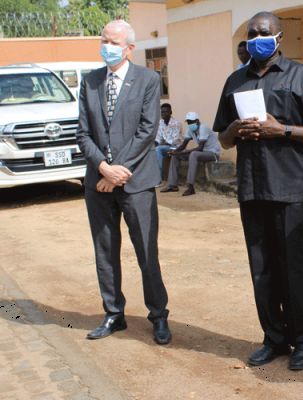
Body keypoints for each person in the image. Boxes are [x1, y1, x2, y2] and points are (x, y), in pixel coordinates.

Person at [214, 11, 303, 371]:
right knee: (261, 268)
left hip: (291, 188)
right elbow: (223, 138)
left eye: (264, 33)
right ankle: (274, 339)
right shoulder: (235, 81)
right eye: (251, 34)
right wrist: (235, 128)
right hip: (252, 187)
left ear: (279, 38)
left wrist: (282, 131)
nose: (257, 38)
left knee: (294, 268)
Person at [76, 20, 171, 345]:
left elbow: (147, 130)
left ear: (130, 47)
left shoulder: (148, 79)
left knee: (146, 252)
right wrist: (103, 168)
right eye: (103, 40)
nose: (106, 45)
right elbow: (83, 133)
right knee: (105, 251)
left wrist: (116, 171)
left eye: (113, 41)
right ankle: (113, 313)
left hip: (136, 183)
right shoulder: (89, 82)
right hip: (98, 183)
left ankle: (158, 315)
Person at [160, 111, 220, 196]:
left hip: (212, 153)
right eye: (188, 122)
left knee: (193, 154)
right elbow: (183, 145)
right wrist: (175, 151)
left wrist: (182, 152)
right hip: (201, 153)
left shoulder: (203, 127)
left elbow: (200, 148)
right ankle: (172, 185)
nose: (190, 123)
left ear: (197, 121)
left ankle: (190, 187)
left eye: (191, 121)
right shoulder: (190, 129)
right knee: (176, 156)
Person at [155, 103, 183, 179]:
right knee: (151, 149)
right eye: (162, 112)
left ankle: (158, 178)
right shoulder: (160, 123)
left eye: (166, 111)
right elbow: (158, 137)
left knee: (158, 149)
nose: (163, 114)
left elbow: (175, 140)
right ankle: (150, 177)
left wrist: (164, 143)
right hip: (164, 147)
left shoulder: (177, 123)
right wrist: (155, 143)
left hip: (176, 148)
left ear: (171, 112)